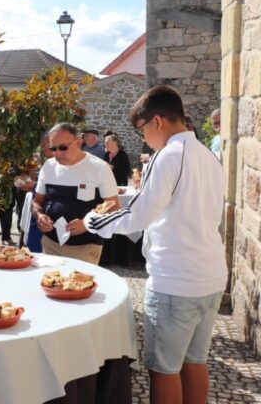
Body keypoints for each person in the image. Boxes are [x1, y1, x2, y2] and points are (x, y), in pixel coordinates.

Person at [83, 85, 227, 404]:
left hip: (175, 280)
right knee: (195, 362)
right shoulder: (208, 155)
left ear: (157, 122)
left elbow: (139, 215)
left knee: (163, 370)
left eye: (142, 130)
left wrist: (94, 220)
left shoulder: (166, 155)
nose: (143, 139)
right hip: (211, 275)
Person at [31, 123, 119, 265]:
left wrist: (86, 224)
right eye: (53, 148)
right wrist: (39, 216)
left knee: (78, 286)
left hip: (84, 246)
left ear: (78, 142)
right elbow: (37, 202)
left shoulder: (99, 168)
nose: (58, 153)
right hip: (51, 244)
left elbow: (114, 207)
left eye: (63, 147)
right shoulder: (48, 166)